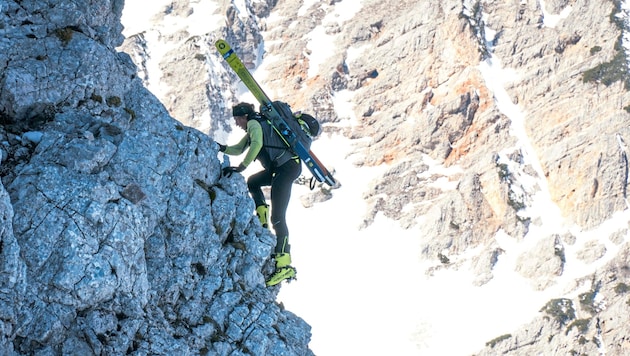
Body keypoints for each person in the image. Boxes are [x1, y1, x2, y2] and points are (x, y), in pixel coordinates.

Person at [218, 102, 302, 286]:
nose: (237, 123)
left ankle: (284, 265)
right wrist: (220, 148)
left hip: (286, 169)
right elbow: (239, 149)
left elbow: (256, 144)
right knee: (253, 182)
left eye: (238, 119)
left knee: (279, 217)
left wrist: (241, 167)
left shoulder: (254, 125)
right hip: (282, 167)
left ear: (244, 116)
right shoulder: (256, 124)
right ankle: (262, 220)